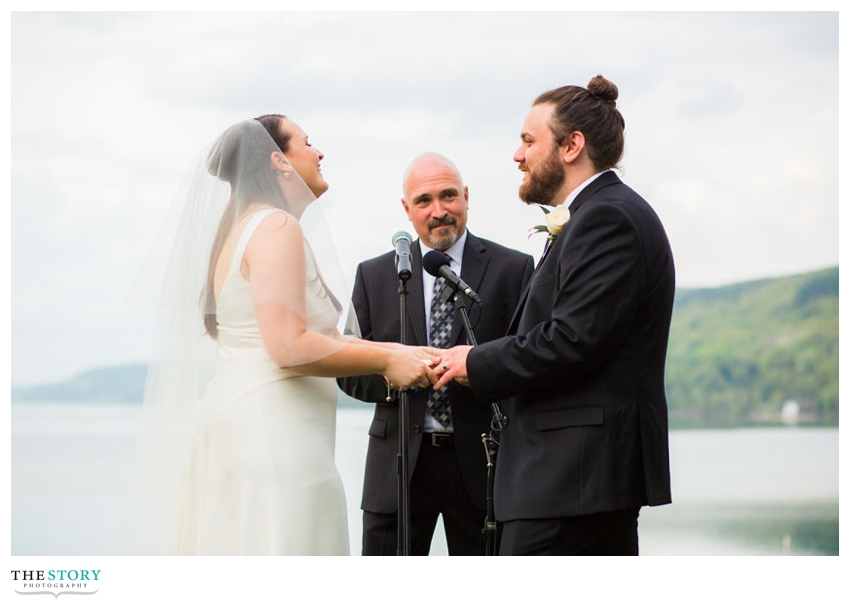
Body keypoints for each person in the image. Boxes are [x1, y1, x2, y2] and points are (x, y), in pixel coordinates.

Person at [125, 116, 439, 556]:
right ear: (279, 161)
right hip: (272, 435)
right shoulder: (276, 227)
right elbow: (288, 346)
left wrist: (400, 352)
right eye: (308, 143)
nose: (319, 152)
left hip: (244, 423)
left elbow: (321, 336)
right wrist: (387, 363)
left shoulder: (245, 228)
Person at [435, 76, 676, 555]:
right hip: (565, 483)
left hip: (574, 482)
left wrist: (473, 362)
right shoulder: (592, 215)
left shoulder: (608, 219)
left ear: (572, 146)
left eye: (528, 141)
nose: (517, 155)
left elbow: (571, 340)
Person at [337, 153, 534, 555]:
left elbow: (526, 360)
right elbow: (349, 372)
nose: (439, 211)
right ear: (406, 209)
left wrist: (477, 370)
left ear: (466, 196)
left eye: (448, 196)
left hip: (486, 465)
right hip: (397, 469)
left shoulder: (513, 268)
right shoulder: (373, 275)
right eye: (424, 201)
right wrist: (396, 373)